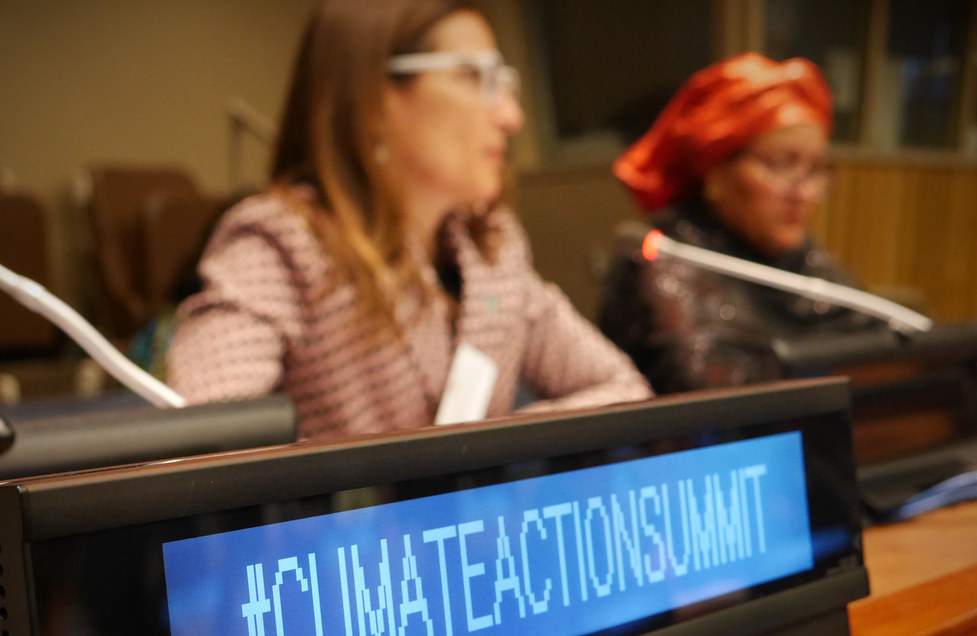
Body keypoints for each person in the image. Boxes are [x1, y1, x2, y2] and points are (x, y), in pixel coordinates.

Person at [167, 0, 651, 440]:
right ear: (372, 98)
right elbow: (199, 447)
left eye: (504, 82)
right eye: (472, 76)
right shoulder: (282, 243)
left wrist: (486, 453)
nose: (510, 115)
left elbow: (623, 389)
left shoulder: (494, 251)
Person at [599, 52, 882, 395]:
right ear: (716, 171)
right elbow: (713, 392)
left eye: (815, 169)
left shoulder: (800, 256)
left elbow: (878, 344)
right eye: (781, 163)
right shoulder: (665, 259)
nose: (804, 192)